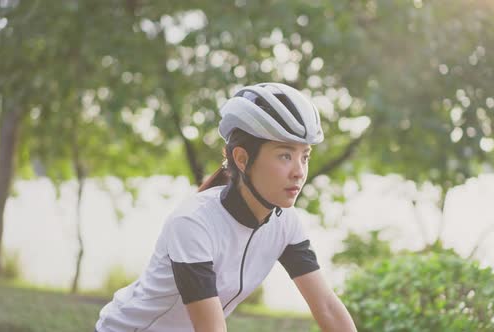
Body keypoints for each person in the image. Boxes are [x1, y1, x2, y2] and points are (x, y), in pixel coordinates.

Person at [94, 82, 357, 332]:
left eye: (305, 156)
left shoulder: (286, 222)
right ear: (242, 159)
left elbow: (327, 307)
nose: (299, 172)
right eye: (285, 155)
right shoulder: (193, 223)